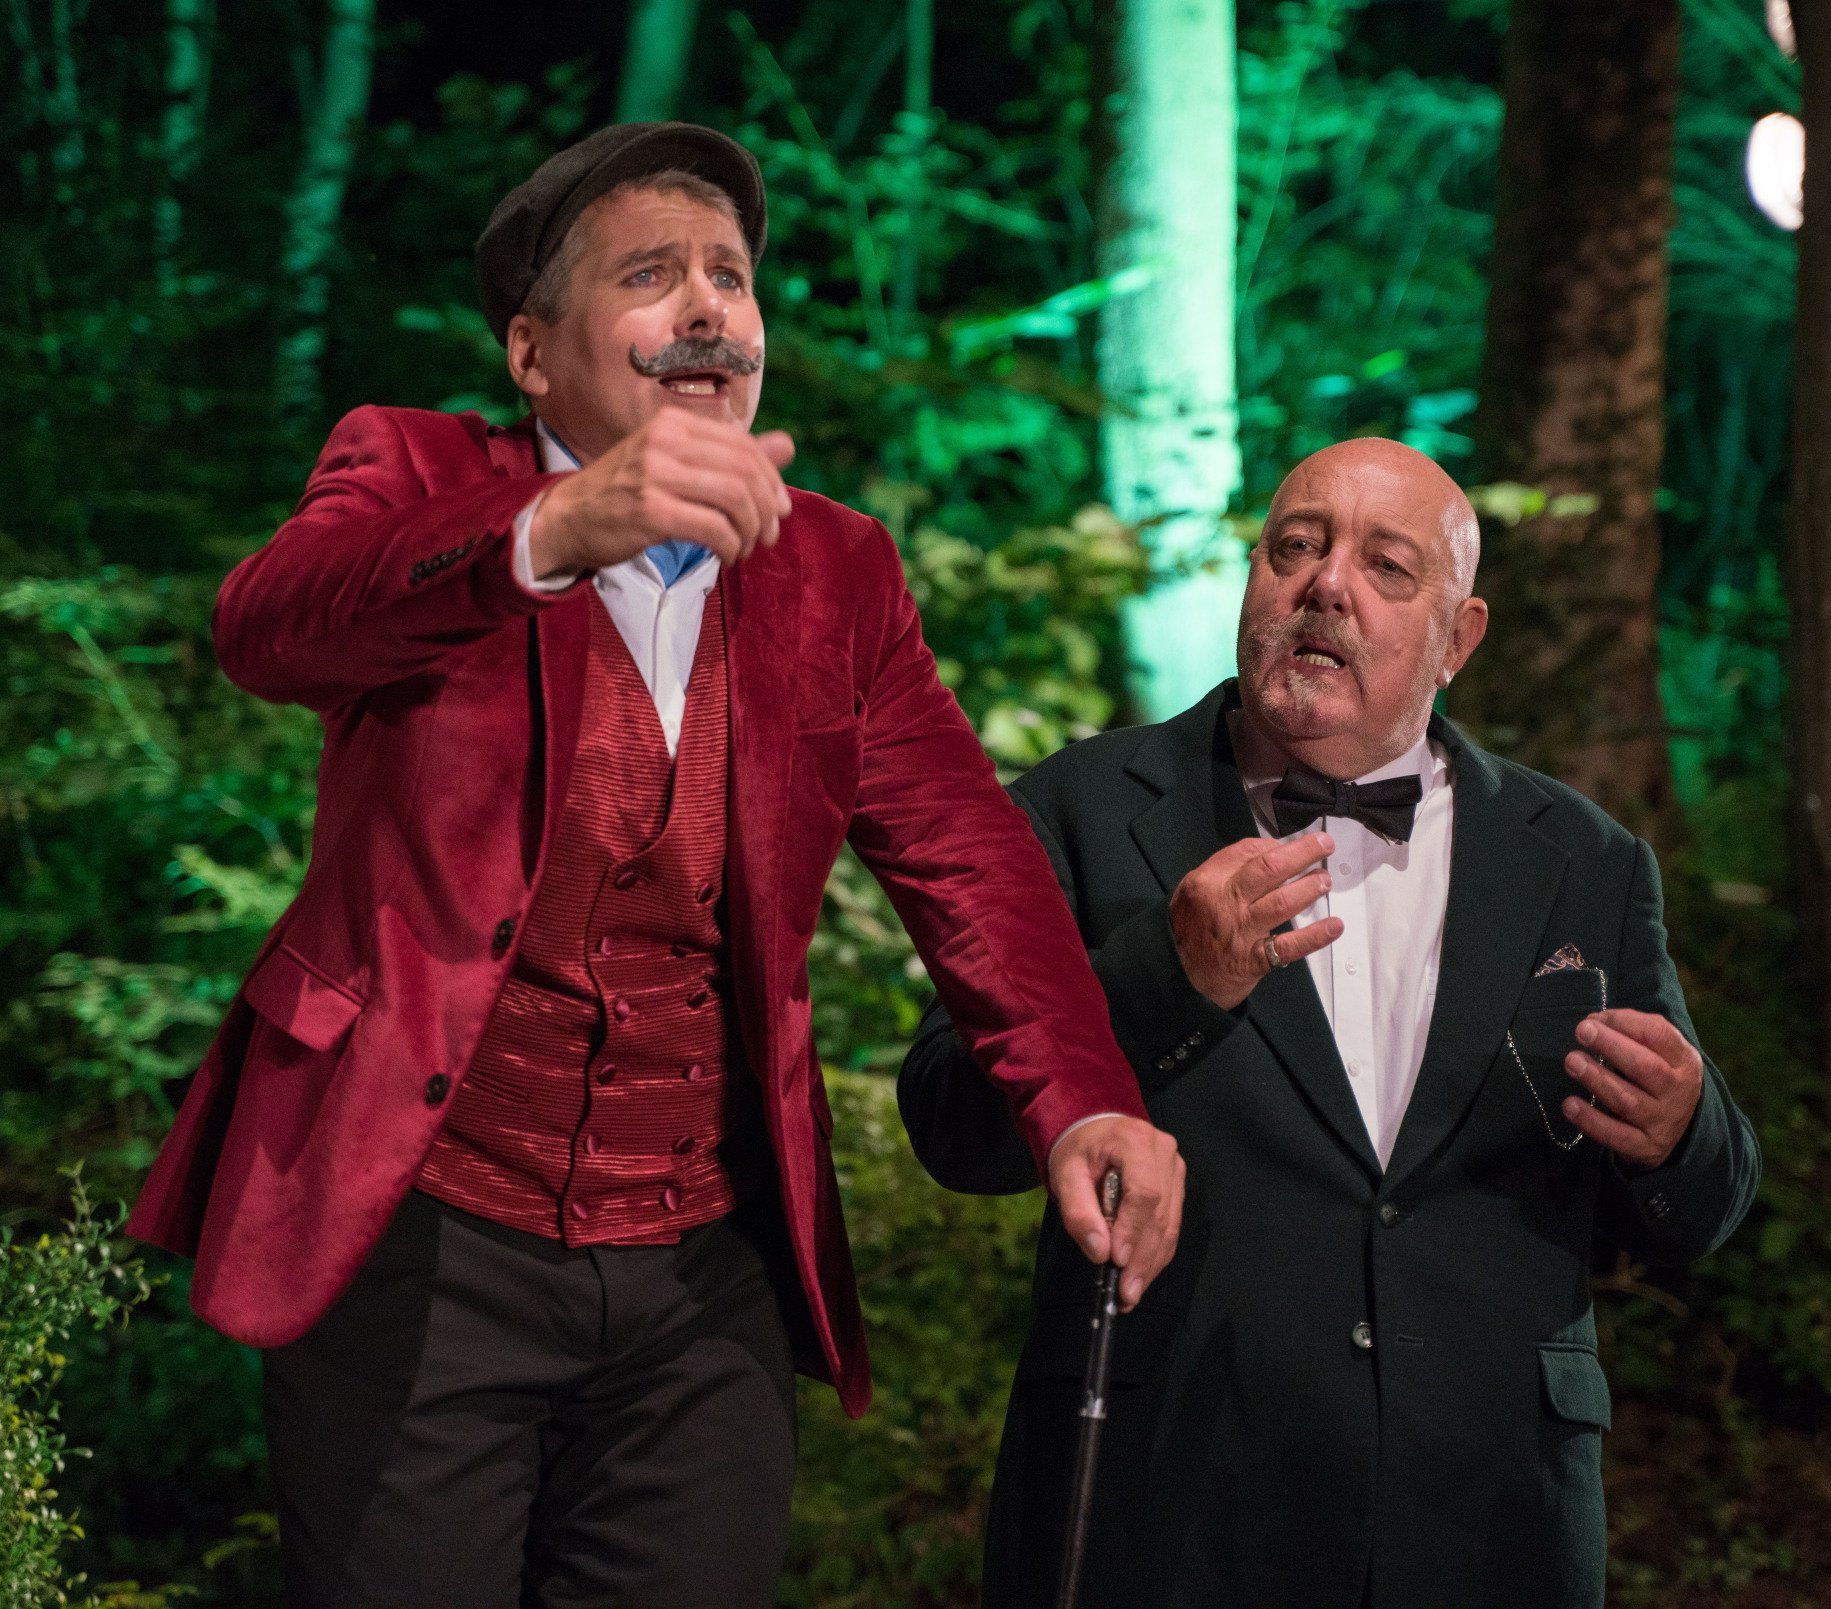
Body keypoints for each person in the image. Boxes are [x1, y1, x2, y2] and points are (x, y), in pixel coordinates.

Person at [127, 121, 1184, 1609]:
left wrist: (1084, 1098)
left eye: (731, 278)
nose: (708, 308)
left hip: (701, 1266)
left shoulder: (836, 567)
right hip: (421, 1227)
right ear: (531, 352)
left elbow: (968, 855)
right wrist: (551, 526)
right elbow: (270, 625)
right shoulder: (415, 467)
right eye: (650, 275)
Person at [898, 437, 1760, 1609]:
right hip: (1167, 1515)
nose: (1327, 584)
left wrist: (1681, 1130)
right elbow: (952, 1120)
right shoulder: (1082, 809)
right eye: (1295, 546)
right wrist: (1164, 976)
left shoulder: (1585, 861)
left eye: (1387, 566)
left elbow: (1703, 1205)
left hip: (1489, 1528)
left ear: (1458, 640)